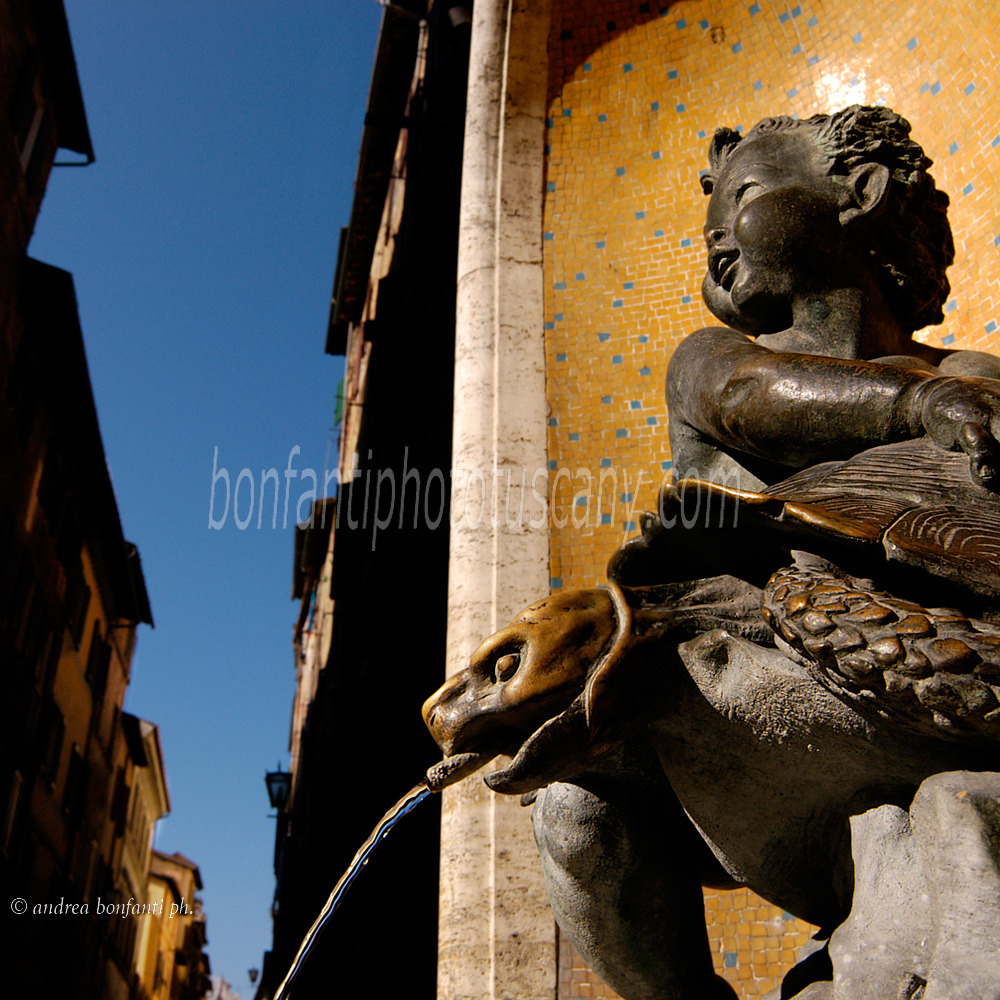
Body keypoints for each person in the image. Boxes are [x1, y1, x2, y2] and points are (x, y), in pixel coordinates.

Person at [666, 104, 1000, 494]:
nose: (714, 237)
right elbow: (747, 397)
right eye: (710, 230)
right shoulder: (708, 358)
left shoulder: (970, 371)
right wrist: (919, 401)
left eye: (746, 194)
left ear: (862, 193)